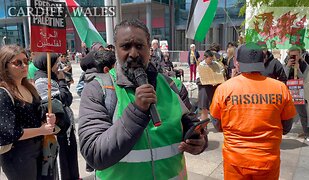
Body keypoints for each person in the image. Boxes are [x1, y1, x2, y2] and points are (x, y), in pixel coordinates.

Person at [78, 19, 207, 180]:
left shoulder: (174, 86)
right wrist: (137, 111)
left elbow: (193, 128)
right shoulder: (98, 89)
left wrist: (200, 142)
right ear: (116, 50)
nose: (133, 53)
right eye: (125, 47)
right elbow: (94, 154)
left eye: (139, 46)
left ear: (149, 49)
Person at [210, 42, 296, 180]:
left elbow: (217, 124)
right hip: (268, 161)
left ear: (237, 63)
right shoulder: (280, 88)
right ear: (263, 61)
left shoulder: (224, 89)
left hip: (235, 161)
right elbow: (286, 127)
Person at [0, 45, 56, 179]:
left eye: (26, 61)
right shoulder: (3, 93)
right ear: (4, 65)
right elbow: (10, 133)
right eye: (17, 63)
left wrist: (48, 119)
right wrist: (42, 130)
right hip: (18, 154)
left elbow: (38, 115)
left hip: (41, 148)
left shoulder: (29, 87)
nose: (24, 65)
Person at [33, 53, 80, 180]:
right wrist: (62, 81)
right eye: (56, 63)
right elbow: (66, 99)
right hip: (57, 129)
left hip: (65, 127)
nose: (58, 66)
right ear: (48, 64)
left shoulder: (50, 77)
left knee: (69, 154)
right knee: (60, 160)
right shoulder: (43, 81)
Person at [284, 45, 309, 142]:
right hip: (287, 90)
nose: (294, 58)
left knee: (303, 113)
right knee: (283, 112)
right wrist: (288, 66)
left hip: (299, 90)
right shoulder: (285, 63)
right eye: (292, 56)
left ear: (300, 55)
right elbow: (283, 76)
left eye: (296, 55)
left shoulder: (304, 64)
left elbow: (304, 78)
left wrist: (298, 69)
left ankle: (306, 133)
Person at [197, 50, 224, 120]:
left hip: (213, 89)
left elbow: (220, 74)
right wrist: (207, 81)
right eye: (210, 59)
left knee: (214, 108)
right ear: (205, 58)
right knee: (204, 109)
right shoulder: (201, 66)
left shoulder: (215, 64)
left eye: (212, 59)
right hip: (204, 90)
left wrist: (217, 80)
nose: (211, 61)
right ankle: (203, 126)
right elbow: (198, 79)